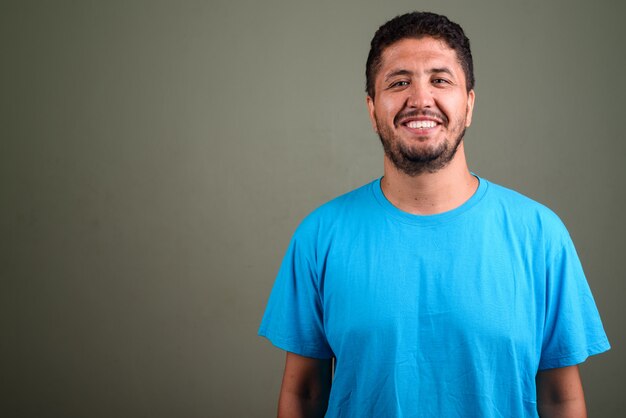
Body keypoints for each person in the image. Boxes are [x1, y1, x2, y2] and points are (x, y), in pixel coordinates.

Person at [258, 11, 610, 418]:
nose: (421, 99)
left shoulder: (541, 235)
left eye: (440, 80)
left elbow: (559, 399)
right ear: (372, 109)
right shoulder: (319, 236)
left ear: (469, 103)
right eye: (399, 82)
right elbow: (302, 394)